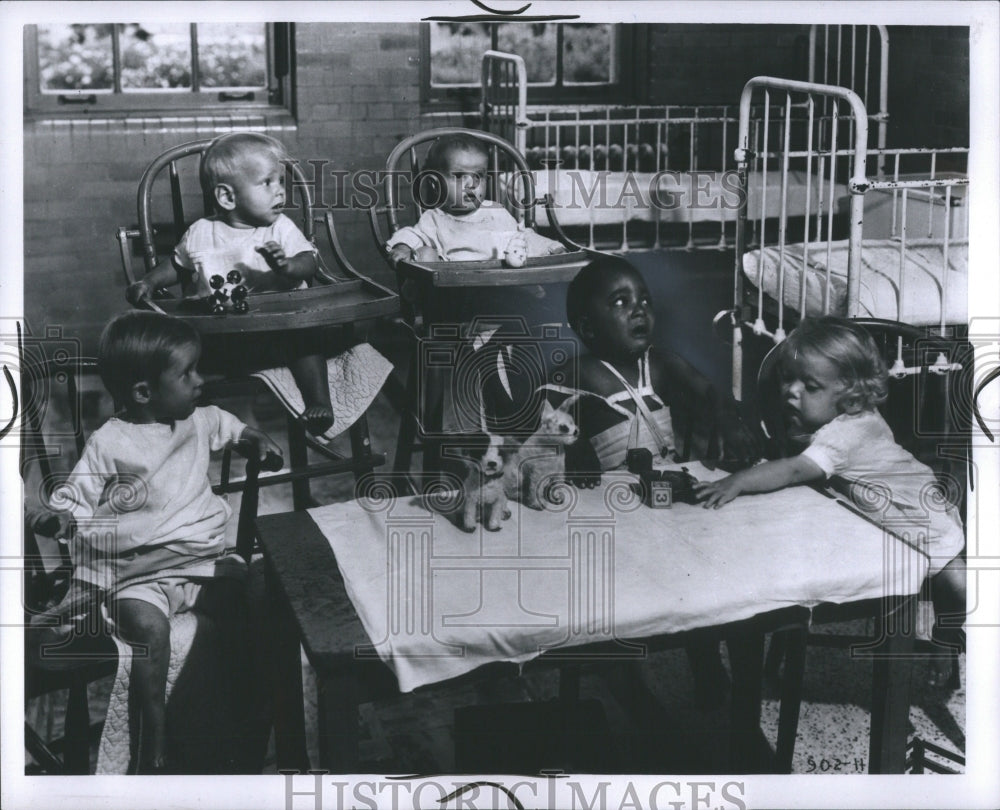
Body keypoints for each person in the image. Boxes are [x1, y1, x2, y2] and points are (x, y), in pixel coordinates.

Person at [28, 311, 282, 772]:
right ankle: (155, 736)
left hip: (201, 562)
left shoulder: (198, 419)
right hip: (136, 574)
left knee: (258, 602)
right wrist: (60, 514)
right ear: (144, 393)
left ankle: (247, 713)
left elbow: (230, 427)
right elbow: (79, 490)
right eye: (187, 374)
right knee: (149, 630)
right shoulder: (111, 442)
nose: (200, 380)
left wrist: (252, 437)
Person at [693, 316, 966, 684]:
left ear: (850, 397)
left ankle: (946, 637)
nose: (791, 391)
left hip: (915, 512)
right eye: (788, 378)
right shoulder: (842, 416)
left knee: (959, 587)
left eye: (810, 386)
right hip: (871, 514)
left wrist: (740, 480)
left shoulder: (847, 433)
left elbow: (792, 469)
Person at [545, 255, 760, 709]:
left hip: (666, 492)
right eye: (620, 302)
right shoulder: (576, 375)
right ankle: (632, 692)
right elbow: (545, 432)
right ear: (586, 327)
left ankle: (710, 664)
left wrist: (728, 420)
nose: (639, 310)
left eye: (644, 300)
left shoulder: (659, 363)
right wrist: (573, 455)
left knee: (704, 572)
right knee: (623, 598)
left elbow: (710, 395)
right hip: (613, 507)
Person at [125, 131, 334, 436]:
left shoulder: (280, 228)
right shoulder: (200, 232)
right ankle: (180, 424)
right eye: (267, 183)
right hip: (221, 337)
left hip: (278, 333)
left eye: (281, 182)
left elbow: (309, 260)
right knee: (175, 349)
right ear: (226, 197)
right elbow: (176, 265)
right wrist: (148, 281)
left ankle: (319, 402)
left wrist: (289, 266)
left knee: (307, 340)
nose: (280, 192)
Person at [385, 132, 566, 266]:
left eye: (479, 175)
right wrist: (403, 246)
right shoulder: (434, 219)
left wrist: (550, 248)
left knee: (521, 248)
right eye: (458, 176)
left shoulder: (496, 213)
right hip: (454, 289)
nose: (471, 183)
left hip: (499, 286)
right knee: (424, 255)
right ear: (435, 184)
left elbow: (523, 237)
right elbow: (413, 234)